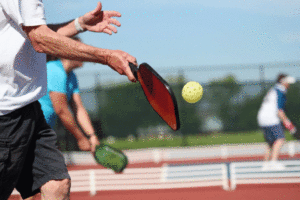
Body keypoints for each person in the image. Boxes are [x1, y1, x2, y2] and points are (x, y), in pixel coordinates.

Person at [0, 1, 137, 200]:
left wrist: (79, 24)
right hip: (5, 116)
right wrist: (107, 56)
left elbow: (34, 31)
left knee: (58, 185)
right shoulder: (56, 71)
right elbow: (40, 39)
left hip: (29, 109)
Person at [39, 37, 100, 154]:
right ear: (68, 52)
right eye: (80, 50)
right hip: (27, 132)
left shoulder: (72, 76)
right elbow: (61, 110)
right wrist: (81, 138)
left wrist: (92, 136)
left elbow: (78, 108)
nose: (85, 54)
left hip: (42, 133)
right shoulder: (54, 70)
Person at [257, 74, 296, 170]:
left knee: (270, 142)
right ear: (283, 82)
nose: (289, 85)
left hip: (262, 117)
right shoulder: (280, 92)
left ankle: (265, 164)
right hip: (271, 118)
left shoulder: (273, 90)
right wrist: (289, 125)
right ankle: (273, 162)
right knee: (280, 139)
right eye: (288, 83)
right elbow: (279, 111)